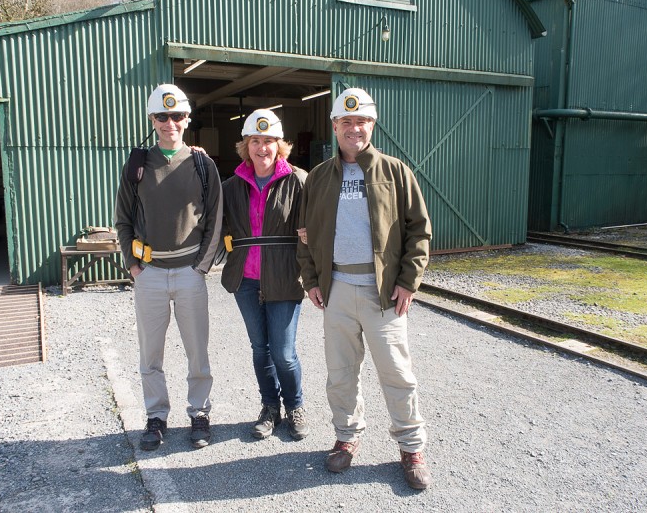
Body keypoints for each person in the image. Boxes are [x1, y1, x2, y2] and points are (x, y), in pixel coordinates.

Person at [296, 88, 433, 489]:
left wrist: (408, 281)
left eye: (361, 122)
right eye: (346, 122)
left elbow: (419, 231)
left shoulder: (395, 172)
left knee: (397, 374)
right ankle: (346, 437)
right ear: (334, 126)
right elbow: (304, 235)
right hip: (337, 289)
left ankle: (411, 447)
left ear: (372, 125)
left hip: (383, 294)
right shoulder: (319, 177)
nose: (354, 129)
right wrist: (311, 280)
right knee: (341, 374)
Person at [114, 83, 223, 451]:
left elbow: (215, 219)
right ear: (152, 120)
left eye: (176, 115)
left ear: (187, 118)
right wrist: (134, 266)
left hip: (190, 273)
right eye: (162, 116)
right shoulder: (138, 165)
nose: (169, 122)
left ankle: (199, 413)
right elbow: (123, 220)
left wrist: (201, 267)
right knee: (150, 354)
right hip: (150, 274)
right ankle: (156, 416)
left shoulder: (202, 165)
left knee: (197, 352)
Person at [220, 109, 309, 441]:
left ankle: (295, 406)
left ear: (279, 145)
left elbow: (317, 224)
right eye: (255, 141)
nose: (262, 148)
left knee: (283, 352)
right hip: (246, 279)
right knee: (260, 348)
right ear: (246, 145)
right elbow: (215, 223)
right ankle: (270, 407)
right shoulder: (231, 186)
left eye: (268, 141)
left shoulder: (299, 181)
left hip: (285, 277)